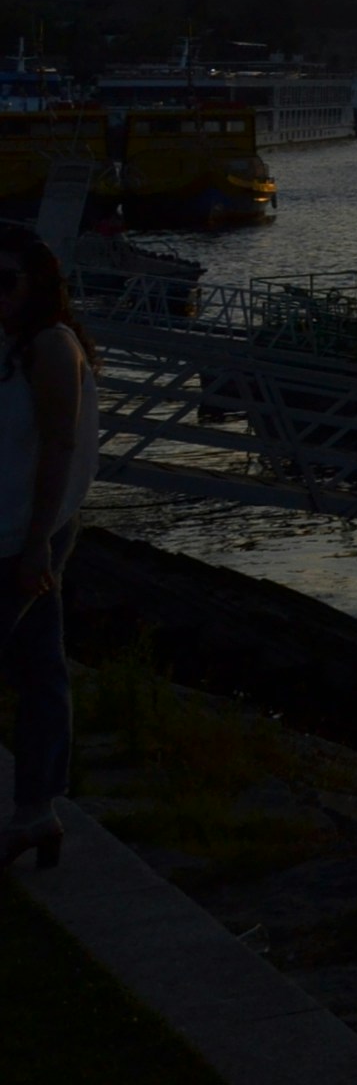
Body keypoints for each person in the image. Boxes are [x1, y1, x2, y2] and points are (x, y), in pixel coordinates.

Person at [0, 225, 96, 870]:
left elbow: (61, 447)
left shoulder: (51, 346)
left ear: (36, 285)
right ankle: (37, 812)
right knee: (39, 669)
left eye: (4, 281)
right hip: (8, 530)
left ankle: (37, 808)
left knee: (38, 671)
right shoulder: (9, 343)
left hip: (26, 535)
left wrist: (38, 545)